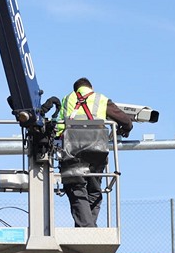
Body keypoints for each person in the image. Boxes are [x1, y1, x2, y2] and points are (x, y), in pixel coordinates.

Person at [56, 77, 133, 227]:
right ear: (91, 88)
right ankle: (89, 228)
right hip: (97, 149)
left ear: (76, 89)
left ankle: (86, 228)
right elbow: (126, 122)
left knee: (76, 188)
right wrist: (124, 130)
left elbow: (59, 126)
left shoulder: (66, 99)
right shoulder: (101, 99)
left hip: (72, 149)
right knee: (94, 190)